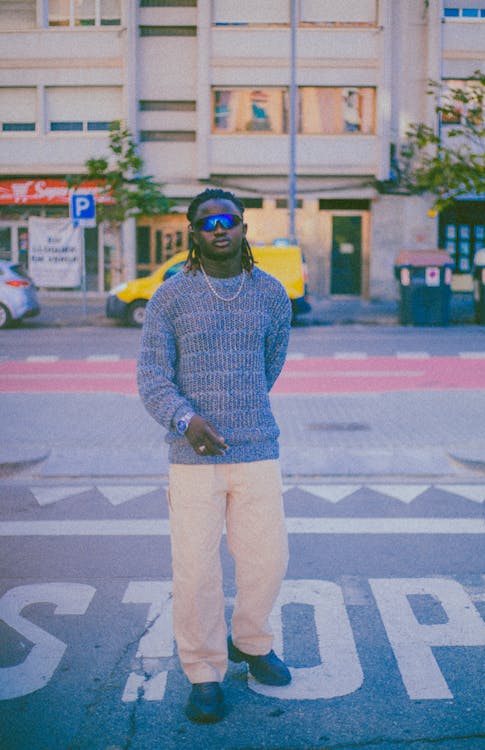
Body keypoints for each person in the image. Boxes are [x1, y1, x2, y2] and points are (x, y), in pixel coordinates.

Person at [137, 188, 292, 723]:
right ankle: (204, 671)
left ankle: (251, 640)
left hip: (256, 449)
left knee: (267, 560)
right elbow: (151, 376)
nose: (219, 228)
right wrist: (187, 420)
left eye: (228, 219)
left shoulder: (271, 293)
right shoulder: (170, 297)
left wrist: (239, 409)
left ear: (245, 227)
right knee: (196, 571)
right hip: (190, 457)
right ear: (194, 234)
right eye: (207, 222)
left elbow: (270, 366)